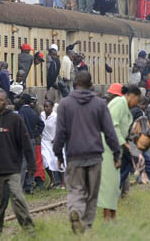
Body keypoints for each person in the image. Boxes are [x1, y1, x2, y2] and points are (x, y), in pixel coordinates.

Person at [53, 71, 121, 234]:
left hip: (74, 155)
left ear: (75, 84)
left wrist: (58, 154)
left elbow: (60, 132)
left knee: (76, 189)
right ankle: (87, 224)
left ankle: (75, 210)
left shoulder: (65, 104)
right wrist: (116, 153)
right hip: (94, 156)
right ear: (91, 85)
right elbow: (110, 131)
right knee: (92, 192)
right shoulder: (99, 104)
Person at [0, 90, 36, 236]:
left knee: (18, 199)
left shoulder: (15, 120)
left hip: (13, 169)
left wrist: (31, 165)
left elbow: (26, 143)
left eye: (0, 99)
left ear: (6, 102)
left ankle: (30, 231)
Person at [97, 84, 138, 220]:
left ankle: (112, 216)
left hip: (115, 147)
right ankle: (107, 217)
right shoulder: (119, 103)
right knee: (109, 183)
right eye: (136, 100)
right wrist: (125, 144)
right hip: (109, 147)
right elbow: (113, 127)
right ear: (131, 96)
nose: (136, 104)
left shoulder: (123, 106)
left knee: (114, 183)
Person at [15, 94, 45, 194]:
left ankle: (19, 187)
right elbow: (41, 124)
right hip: (32, 139)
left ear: (23, 100)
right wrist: (35, 134)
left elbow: (19, 125)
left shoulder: (21, 112)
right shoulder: (32, 113)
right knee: (31, 162)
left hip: (23, 140)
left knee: (22, 164)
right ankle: (29, 186)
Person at [40, 100, 63, 188]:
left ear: (52, 107)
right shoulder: (42, 115)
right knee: (45, 161)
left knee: (55, 161)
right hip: (44, 141)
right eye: (45, 106)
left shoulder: (56, 116)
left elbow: (61, 128)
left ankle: (62, 182)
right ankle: (52, 180)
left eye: (48, 106)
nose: (46, 108)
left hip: (53, 141)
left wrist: (57, 137)